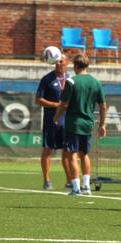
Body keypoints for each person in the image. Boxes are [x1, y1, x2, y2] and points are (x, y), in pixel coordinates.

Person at [53, 54, 107, 196]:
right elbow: (103, 106)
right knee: (84, 155)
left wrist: (55, 117)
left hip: (73, 123)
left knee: (72, 155)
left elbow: (63, 104)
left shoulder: (71, 82)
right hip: (88, 124)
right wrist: (102, 124)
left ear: (76, 66)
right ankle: (86, 187)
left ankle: (76, 188)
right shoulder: (96, 82)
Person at [36, 53, 72, 190]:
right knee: (47, 150)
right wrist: (56, 105)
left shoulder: (70, 79)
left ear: (67, 63)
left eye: (61, 61)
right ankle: (46, 181)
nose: (59, 64)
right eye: (56, 61)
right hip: (51, 120)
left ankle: (70, 181)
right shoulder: (47, 79)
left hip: (67, 120)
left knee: (67, 152)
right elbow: (38, 99)